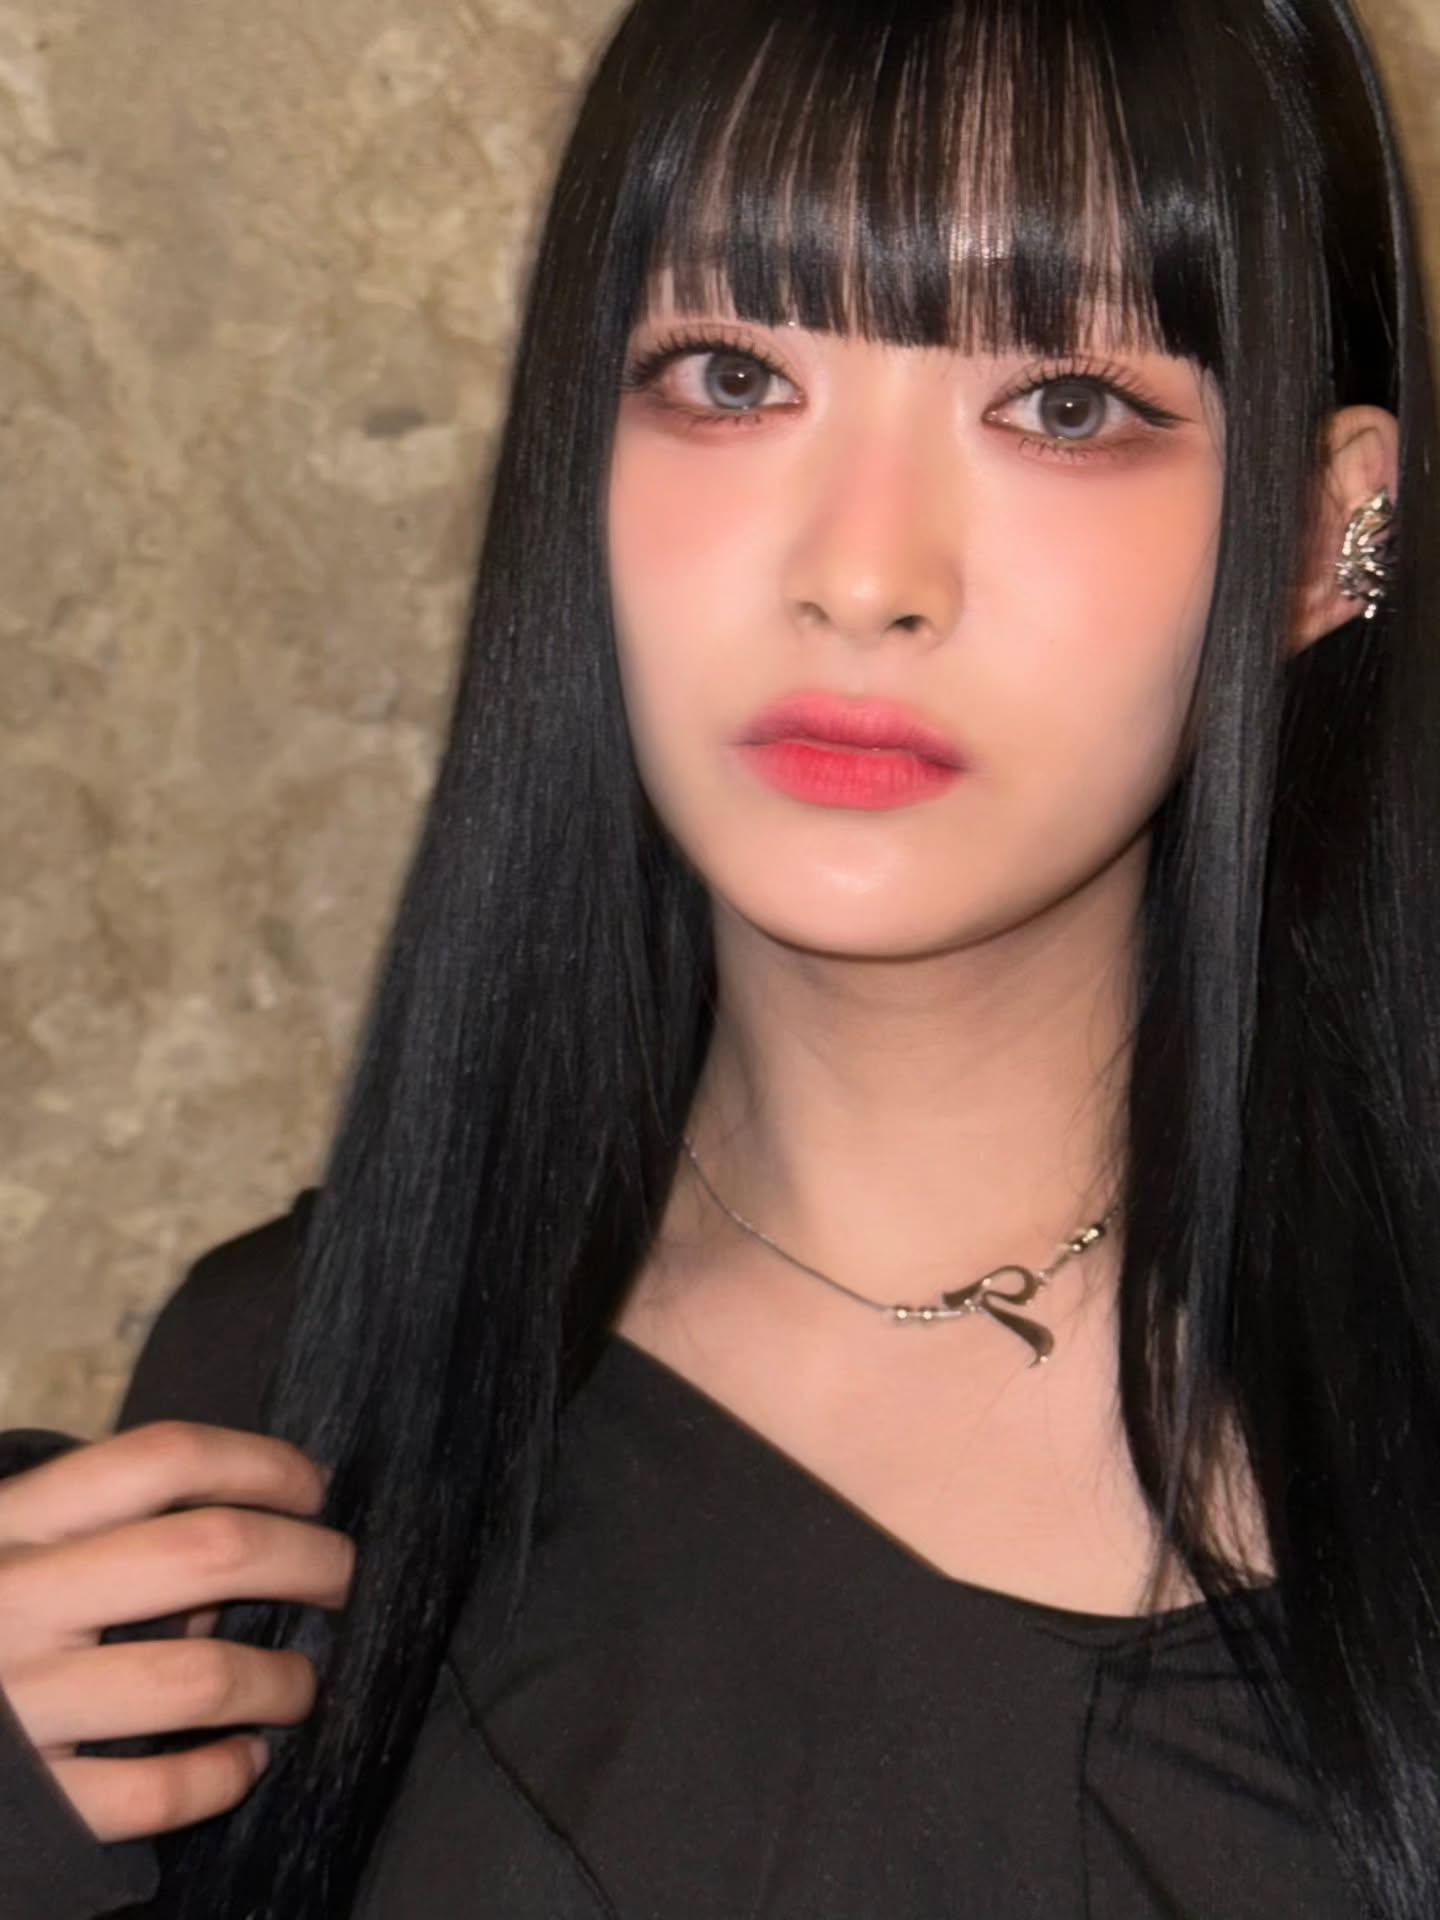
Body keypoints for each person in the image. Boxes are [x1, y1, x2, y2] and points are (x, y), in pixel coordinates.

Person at [1, 0, 1436, 1912]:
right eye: (732, 375)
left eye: (1065, 407)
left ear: (1328, 533)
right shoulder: (286, 1406)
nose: (861, 573)